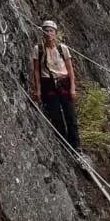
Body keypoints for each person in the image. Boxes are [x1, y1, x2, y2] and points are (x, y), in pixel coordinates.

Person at [30, 20, 81, 149]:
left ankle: (76, 147)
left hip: (63, 83)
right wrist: (38, 90)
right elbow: (36, 70)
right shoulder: (38, 49)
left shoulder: (62, 49)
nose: (48, 33)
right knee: (56, 117)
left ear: (55, 33)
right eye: (46, 31)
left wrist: (72, 88)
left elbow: (70, 70)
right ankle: (65, 146)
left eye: (51, 31)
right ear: (42, 33)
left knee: (71, 116)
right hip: (48, 84)